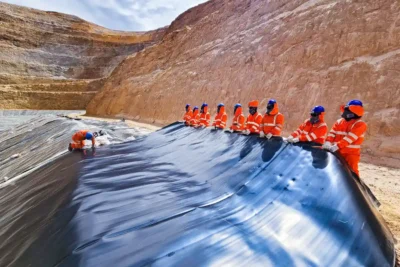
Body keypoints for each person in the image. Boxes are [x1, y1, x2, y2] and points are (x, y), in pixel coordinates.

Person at [322, 100, 367, 176]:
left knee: (352, 173)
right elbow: (332, 133)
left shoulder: (360, 124)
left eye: (347, 110)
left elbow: (350, 138)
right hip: (338, 152)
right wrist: (328, 142)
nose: (344, 112)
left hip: (350, 154)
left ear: (354, 112)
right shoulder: (339, 122)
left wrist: (337, 146)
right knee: (337, 172)